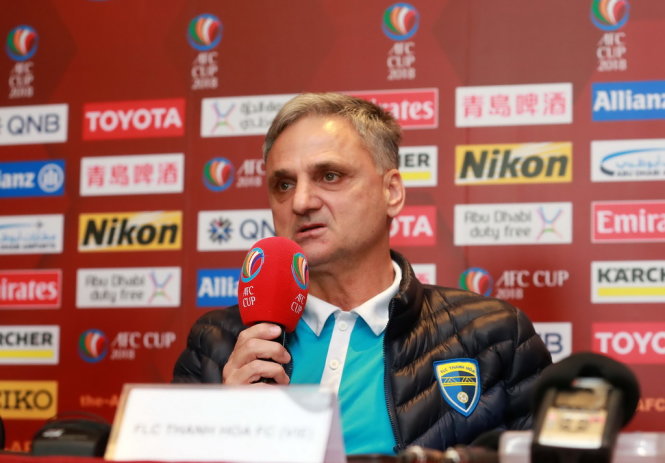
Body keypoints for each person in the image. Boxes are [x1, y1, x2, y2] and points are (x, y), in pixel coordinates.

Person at [173, 92, 552, 455]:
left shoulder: (495, 336)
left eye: (330, 176)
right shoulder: (216, 344)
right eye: (284, 184)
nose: (301, 201)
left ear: (392, 192)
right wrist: (224, 428)